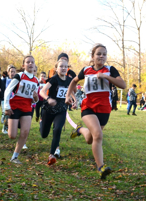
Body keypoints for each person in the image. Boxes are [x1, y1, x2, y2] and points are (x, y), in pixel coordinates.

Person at [65, 44, 126, 179]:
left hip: (104, 109)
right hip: (88, 107)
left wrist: (105, 77)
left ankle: (80, 130)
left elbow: (122, 85)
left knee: (90, 139)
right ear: (93, 56)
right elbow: (73, 81)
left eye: (104, 54)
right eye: (98, 54)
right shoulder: (86, 70)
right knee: (98, 135)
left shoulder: (110, 70)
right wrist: (68, 95)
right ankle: (101, 167)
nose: (101, 56)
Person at [4, 55, 39, 164]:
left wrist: (36, 98)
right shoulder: (19, 76)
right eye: (28, 62)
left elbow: (35, 100)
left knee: (25, 132)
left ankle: (15, 157)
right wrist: (6, 106)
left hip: (27, 107)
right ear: (23, 65)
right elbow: (7, 91)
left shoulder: (36, 80)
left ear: (34, 65)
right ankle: (7, 122)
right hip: (15, 105)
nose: (30, 64)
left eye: (32, 62)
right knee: (12, 136)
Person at [39, 59, 74, 165]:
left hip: (61, 109)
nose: (63, 68)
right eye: (61, 66)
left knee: (57, 129)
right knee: (44, 134)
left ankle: (51, 155)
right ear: (56, 68)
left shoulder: (69, 80)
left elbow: (71, 91)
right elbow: (42, 91)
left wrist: (75, 101)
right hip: (49, 109)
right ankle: (42, 122)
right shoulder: (54, 79)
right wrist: (48, 99)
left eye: (65, 66)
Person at [1, 64, 16, 134]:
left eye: (14, 72)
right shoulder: (4, 80)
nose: (12, 73)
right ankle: (3, 116)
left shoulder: (17, 81)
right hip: (4, 99)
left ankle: (5, 128)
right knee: (6, 113)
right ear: (8, 72)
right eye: (11, 71)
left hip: (13, 100)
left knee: (10, 115)